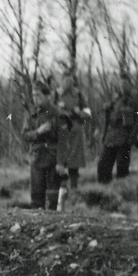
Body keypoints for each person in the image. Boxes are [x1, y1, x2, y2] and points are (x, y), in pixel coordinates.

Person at [21, 81, 64, 210]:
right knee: (36, 198)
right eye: (33, 95)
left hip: (53, 158)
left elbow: (64, 140)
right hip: (37, 158)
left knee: (52, 200)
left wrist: (61, 163)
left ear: (47, 96)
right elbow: (24, 135)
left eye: (38, 95)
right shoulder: (31, 113)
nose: (35, 98)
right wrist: (38, 132)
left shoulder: (57, 113)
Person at [96, 75, 138, 184]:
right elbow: (108, 119)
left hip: (125, 138)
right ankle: (105, 193)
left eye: (125, 84)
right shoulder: (115, 99)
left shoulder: (134, 100)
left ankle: (122, 194)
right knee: (103, 166)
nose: (122, 87)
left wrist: (132, 136)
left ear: (129, 85)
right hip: (111, 138)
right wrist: (103, 135)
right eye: (120, 84)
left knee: (122, 169)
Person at [55, 75, 90, 206]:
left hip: (75, 131)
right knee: (60, 163)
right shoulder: (56, 94)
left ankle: (74, 194)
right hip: (62, 130)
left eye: (70, 80)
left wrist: (77, 112)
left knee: (74, 164)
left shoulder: (79, 95)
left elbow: (87, 113)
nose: (67, 82)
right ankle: (60, 197)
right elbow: (51, 110)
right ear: (61, 81)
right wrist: (62, 112)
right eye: (65, 80)